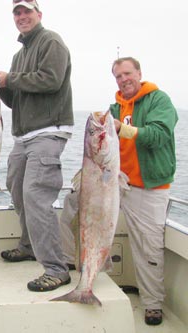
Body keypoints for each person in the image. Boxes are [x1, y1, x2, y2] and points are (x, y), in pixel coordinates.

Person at [61, 57, 178, 325]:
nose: (123, 79)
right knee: (70, 205)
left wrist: (120, 129)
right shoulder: (113, 108)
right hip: (112, 182)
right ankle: (74, 268)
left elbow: (159, 135)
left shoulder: (159, 101)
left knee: (148, 247)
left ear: (139, 72)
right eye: (117, 76)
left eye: (127, 73)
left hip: (148, 187)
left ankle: (151, 303)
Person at [0, 0, 74, 292]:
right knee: (16, 187)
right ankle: (29, 245)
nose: (22, 16)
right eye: (17, 11)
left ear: (39, 14)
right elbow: (17, 101)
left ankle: (56, 268)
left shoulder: (51, 41)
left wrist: (10, 79)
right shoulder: (19, 55)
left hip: (48, 133)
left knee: (36, 195)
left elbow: (51, 81)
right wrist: (0, 89)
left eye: (27, 10)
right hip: (23, 137)